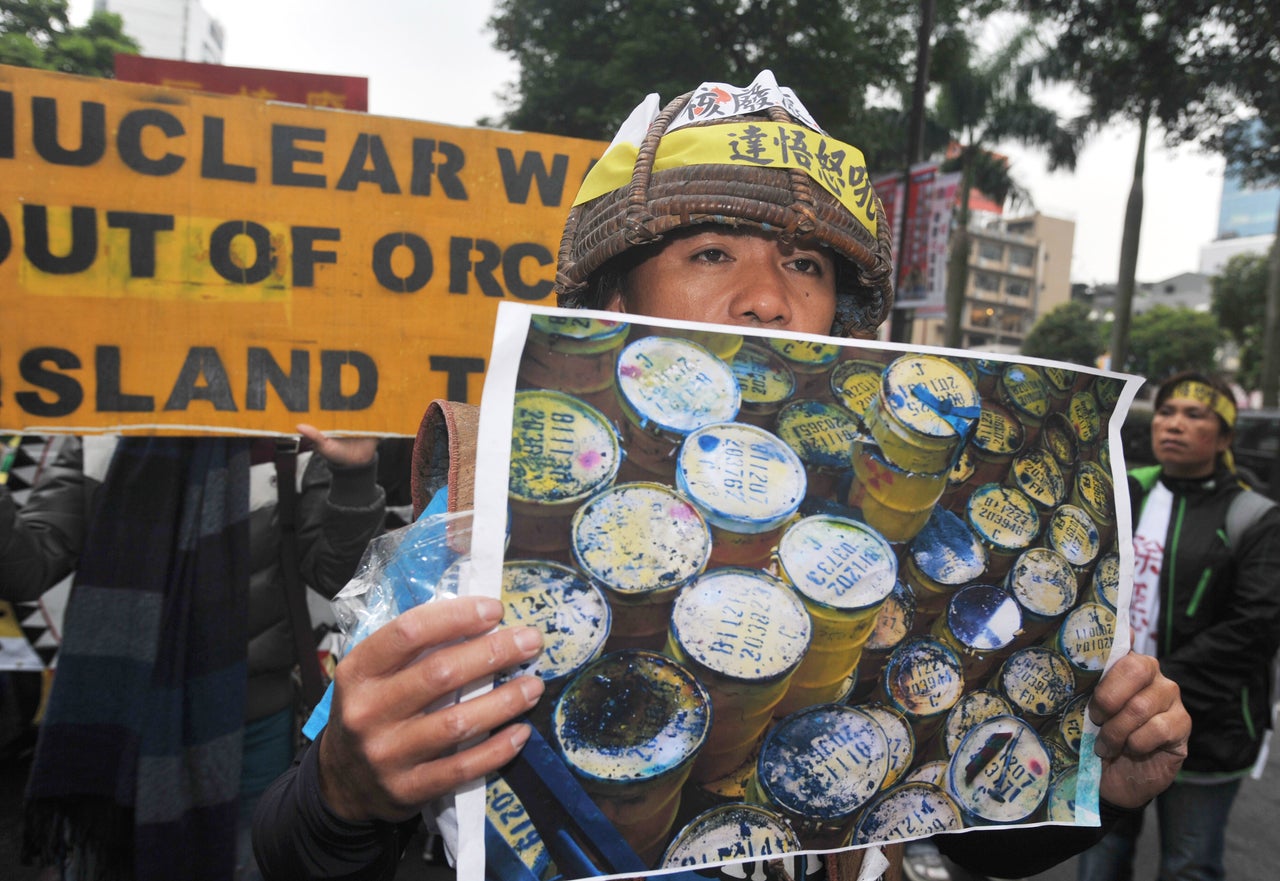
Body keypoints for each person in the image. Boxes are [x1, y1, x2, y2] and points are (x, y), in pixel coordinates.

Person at [253, 72, 1192, 881]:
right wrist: (345, 789)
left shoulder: (904, 519)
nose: (770, 298)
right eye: (710, 252)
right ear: (615, 299)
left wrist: (1092, 783)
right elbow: (292, 847)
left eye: (805, 261)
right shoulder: (485, 510)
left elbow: (951, 823)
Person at [5, 426, 386, 880]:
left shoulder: (296, 437)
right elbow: (26, 570)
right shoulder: (97, 434)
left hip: (255, 729)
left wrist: (355, 473)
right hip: (119, 726)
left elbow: (340, 578)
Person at [1076, 372, 1280, 881]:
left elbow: (1255, 626)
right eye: (1167, 411)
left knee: (1189, 864)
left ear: (1225, 437)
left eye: (1196, 415)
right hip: (1114, 725)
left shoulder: (1253, 518)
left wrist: (1156, 684)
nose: (1175, 424)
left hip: (1210, 734)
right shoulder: (1124, 493)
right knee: (1099, 856)